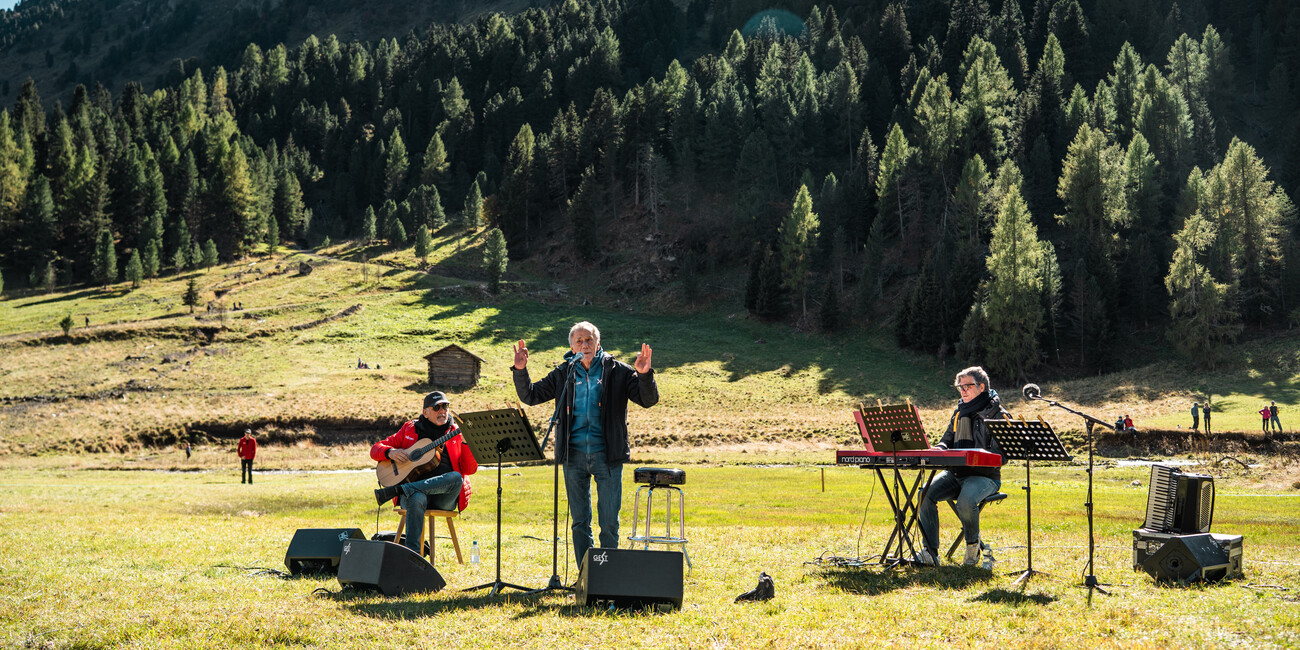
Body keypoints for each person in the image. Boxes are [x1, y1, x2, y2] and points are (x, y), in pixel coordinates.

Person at [512, 321, 659, 570]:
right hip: (573, 456)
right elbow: (531, 395)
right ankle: (585, 576)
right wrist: (520, 370)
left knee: (609, 522)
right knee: (580, 521)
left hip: (607, 456)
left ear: (598, 343)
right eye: (579, 341)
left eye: (589, 340)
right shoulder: (563, 373)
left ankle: (607, 575)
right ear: (572, 347)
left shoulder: (618, 371)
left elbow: (648, 400)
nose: (585, 345)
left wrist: (644, 375)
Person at [916, 366, 1008, 567]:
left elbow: (1002, 456)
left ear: (982, 387)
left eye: (968, 386)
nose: (963, 390)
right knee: (924, 494)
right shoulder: (959, 412)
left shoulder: (998, 415)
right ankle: (930, 552)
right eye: (960, 387)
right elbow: (946, 440)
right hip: (956, 474)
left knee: (965, 501)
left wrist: (976, 458)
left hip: (986, 477)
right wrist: (939, 448)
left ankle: (973, 546)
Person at [370, 391, 478, 557]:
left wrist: (466, 444)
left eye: (445, 406)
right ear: (425, 412)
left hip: (444, 497)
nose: (442, 411)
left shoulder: (456, 432)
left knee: (456, 477)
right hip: (414, 498)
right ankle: (413, 556)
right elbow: (375, 449)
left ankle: (402, 489)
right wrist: (390, 452)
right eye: (436, 407)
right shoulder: (410, 429)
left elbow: (469, 469)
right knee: (416, 497)